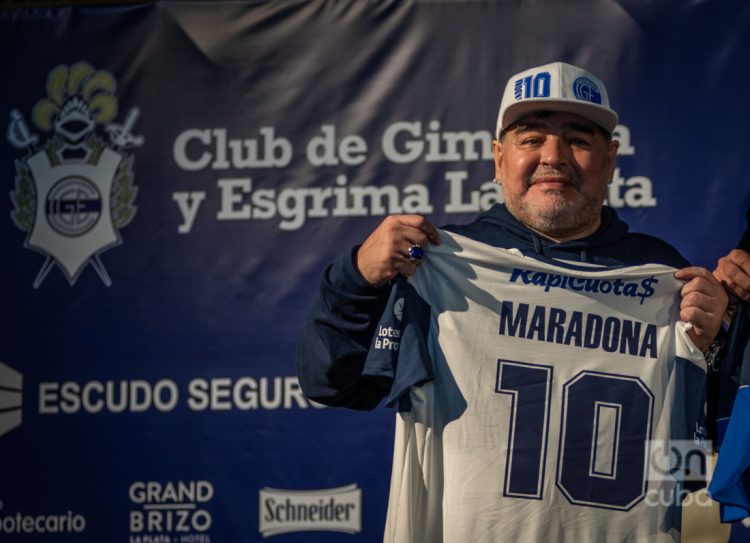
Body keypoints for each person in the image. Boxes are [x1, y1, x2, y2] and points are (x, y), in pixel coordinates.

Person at [297, 62, 728, 542]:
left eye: (579, 140)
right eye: (531, 139)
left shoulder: (665, 276)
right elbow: (330, 384)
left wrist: (715, 345)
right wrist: (357, 278)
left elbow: (700, 451)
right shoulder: (437, 264)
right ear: (499, 159)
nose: (554, 156)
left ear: (610, 160)